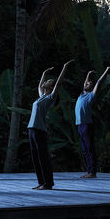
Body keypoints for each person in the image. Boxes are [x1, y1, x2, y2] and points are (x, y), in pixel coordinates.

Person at [28, 60, 72, 190]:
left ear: (51, 87)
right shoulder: (41, 97)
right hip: (31, 129)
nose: (45, 82)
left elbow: (58, 84)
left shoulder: (50, 98)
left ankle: (48, 183)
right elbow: (39, 86)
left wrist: (64, 67)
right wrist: (43, 73)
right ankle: (41, 182)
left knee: (43, 157)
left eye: (48, 82)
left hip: (39, 130)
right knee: (35, 157)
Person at [75, 66, 110, 178]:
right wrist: (88, 74)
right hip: (79, 125)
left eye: (89, 84)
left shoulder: (90, 96)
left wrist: (107, 70)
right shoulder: (81, 94)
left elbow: (99, 82)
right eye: (87, 83)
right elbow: (85, 83)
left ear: (92, 87)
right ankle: (89, 171)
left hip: (86, 125)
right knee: (84, 150)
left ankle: (92, 172)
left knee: (89, 149)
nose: (87, 84)